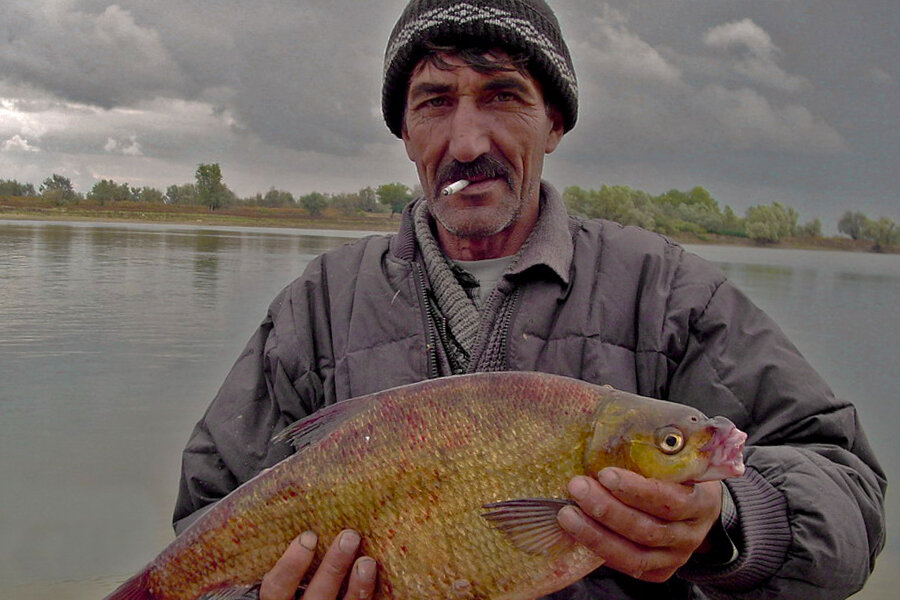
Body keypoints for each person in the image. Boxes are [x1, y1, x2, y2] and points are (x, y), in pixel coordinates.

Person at [174, 1, 886, 599]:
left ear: (555, 122)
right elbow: (207, 522)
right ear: (404, 131)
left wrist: (728, 522)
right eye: (434, 102)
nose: (467, 140)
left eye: (503, 95)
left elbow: (848, 488)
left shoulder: (666, 292)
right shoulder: (317, 309)